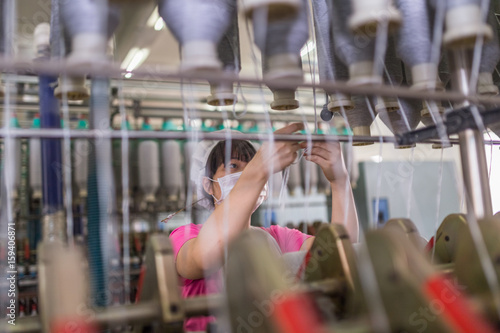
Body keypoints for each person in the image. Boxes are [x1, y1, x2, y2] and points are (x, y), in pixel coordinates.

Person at [169, 123, 359, 331]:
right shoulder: (186, 236)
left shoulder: (277, 238)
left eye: (250, 165)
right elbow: (207, 255)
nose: (246, 173)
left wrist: (339, 181)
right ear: (207, 184)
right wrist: (257, 169)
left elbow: (339, 254)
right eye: (233, 166)